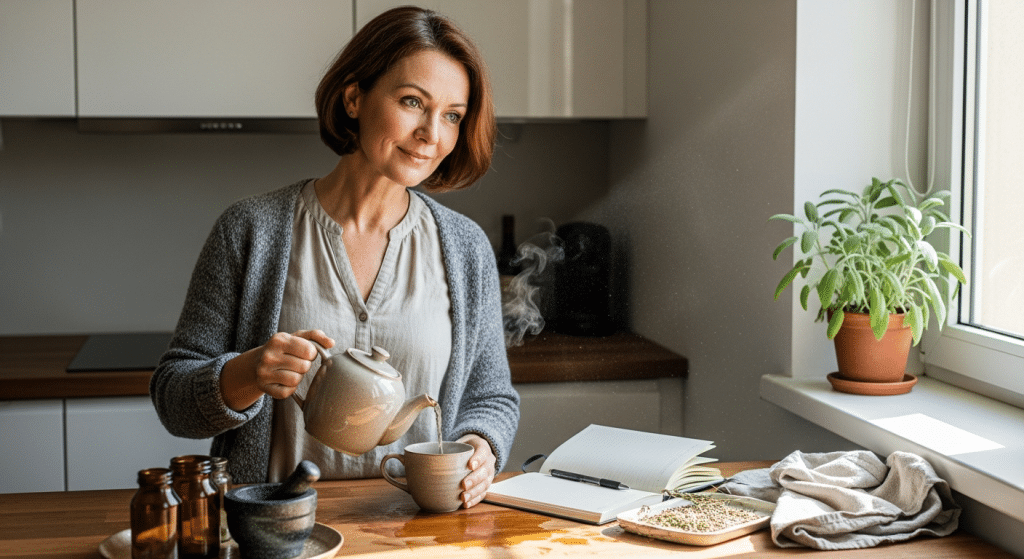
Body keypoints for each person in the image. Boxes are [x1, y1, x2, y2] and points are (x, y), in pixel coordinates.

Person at [151, 6, 519, 509]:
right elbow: (174, 400)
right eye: (413, 102)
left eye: (452, 115)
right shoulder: (251, 230)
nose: (432, 134)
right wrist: (249, 373)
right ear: (353, 98)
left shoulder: (465, 247)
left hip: (415, 532)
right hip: (275, 529)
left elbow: (491, 397)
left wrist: (481, 449)